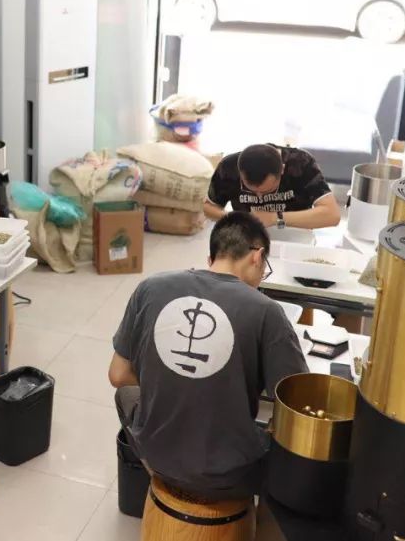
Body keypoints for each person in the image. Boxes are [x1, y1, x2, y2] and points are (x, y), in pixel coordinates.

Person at [108, 212, 308, 501]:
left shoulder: (150, 287)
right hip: (229, 472)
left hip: (155, 455)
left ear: (211, 258)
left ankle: (160, 476)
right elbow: (298, 402)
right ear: (257, 256)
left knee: (125, 394)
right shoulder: (266, 310)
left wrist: (167, 379)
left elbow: (118, 375)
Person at [203, 143, 341, 229]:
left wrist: (274, 218)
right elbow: (208, 207)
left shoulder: (301, 163)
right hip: (247, 236)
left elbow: (332, 215)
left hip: (295, 236)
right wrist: (233, 218)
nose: (259, 197)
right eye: (250, 189)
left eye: (267, 190)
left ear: (282, 170)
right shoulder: (228, 167)